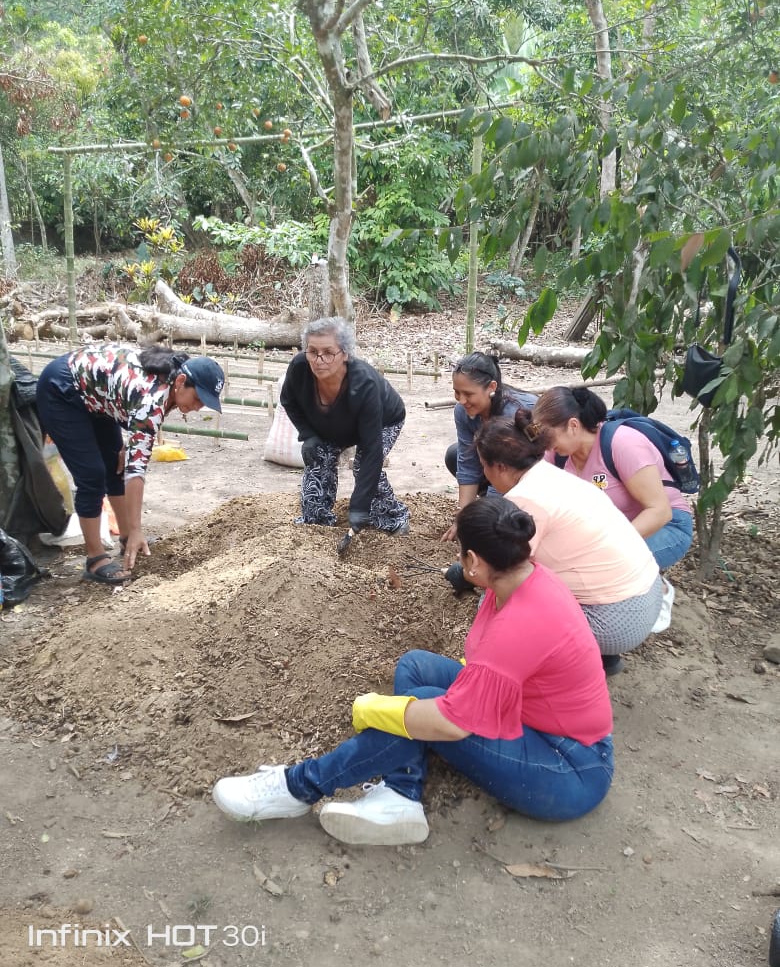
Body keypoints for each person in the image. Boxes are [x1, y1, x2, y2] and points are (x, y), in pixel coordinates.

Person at [212, 498, 614, 845]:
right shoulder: (524, 580)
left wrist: (378, 711)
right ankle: (401, 795)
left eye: (460, 552)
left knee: (422, 705)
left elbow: (452, 722)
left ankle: (299, 787)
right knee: (416, 666)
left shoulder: (519, 623)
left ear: (474, 561)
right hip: (532, 720)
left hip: (568, 768)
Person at [472, 410, 664, 676]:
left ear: (500, 467)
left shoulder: (524, 500)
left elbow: (502, 573)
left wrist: (471, 571)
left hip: (615, 621)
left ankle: (540, 670)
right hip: (649, 594)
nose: (484, 473)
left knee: (497, 596)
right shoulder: (552, 475)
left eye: (484, 465)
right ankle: (601, 658)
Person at [36, 343, 225, 584]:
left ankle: (127, 538)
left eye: (203, 404)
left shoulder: (172, 380)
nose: (197, 408)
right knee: (92, 476)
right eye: (197, 398)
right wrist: (139, 528)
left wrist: (130, 444)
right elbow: (137, 471)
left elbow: (136, 417)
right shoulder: (153, 398)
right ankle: (95, 559)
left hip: (99, 396)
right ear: (181, 382)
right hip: (62, 389)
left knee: (116, 465)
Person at [532, 386, 693, 629]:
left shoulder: (624, 444)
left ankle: (658, 591)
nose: (544, 444)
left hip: (666, 526)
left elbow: (660, 511)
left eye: (547, 435)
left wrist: (604, 545)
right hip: (607, 529)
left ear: (573, 426)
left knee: (596, 565)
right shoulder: (558, 453)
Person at [280, 317, 409, 535]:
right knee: (318, 455)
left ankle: (394, 518)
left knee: (363, 465)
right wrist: (308, 434)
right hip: (333, 423)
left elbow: (372, 451)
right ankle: (317, 522)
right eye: (313, 351)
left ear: (345, 354)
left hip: (384, 420)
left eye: (328, 352)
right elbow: (288, 401)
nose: (319, 360)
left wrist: (359, 507)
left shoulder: (364, 384)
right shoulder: (299, 368)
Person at [442, 353, 537, 542]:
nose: (461, 400)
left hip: (534, 472)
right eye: (457, 392)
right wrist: (463, 517)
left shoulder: (514, 413)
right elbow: (467, 463)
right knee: (454, 454)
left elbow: (505, 469)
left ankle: (509, 508)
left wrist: (486, 521)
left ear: (491, 387)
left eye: (468, 394)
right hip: (502, 473)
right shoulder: (463, 411)